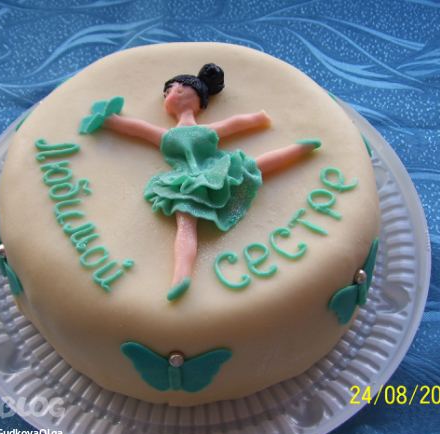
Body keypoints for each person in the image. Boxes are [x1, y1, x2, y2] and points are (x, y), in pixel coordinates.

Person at [92, 63, 320, 301]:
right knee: (186, 225)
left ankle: (298, 149)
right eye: (167, 92)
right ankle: (181, 277)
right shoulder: (168, 136)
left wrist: (258, 118)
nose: (170, 96)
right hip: (186, 182)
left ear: (196, 98)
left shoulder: (200, 131)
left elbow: (234, 123)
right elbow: (139, 128)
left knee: (253, 167)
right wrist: (112, 121)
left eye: (176, 90)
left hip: (206, 173)